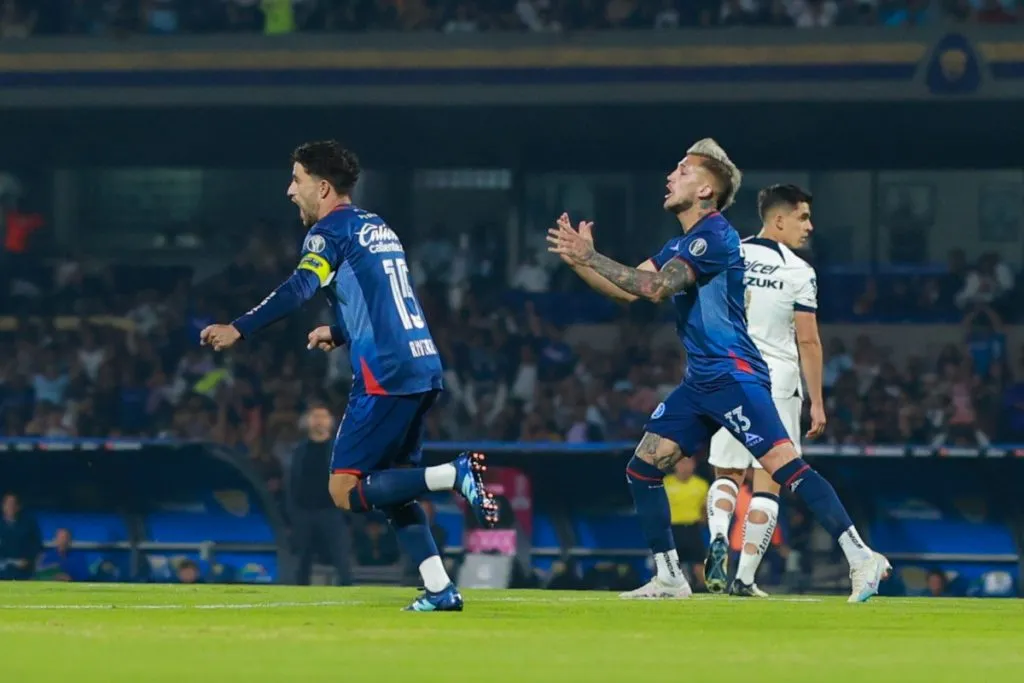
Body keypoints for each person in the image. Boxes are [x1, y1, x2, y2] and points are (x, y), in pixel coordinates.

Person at [548, 138, 889, 603]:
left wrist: (591, 258)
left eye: (682, 171)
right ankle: (669, 576)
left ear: (706, 189)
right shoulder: (682, 242)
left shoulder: (716, 235)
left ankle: (862, 557)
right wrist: (577, 261)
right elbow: (626, 290)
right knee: (644, 467)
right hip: (701, 382)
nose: (671, 177)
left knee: (784, 467)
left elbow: (654, 288)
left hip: (733, 375)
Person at [200, 140, 497, 612]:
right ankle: (440, 589)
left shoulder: (329, 232)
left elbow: (300, 286)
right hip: (421, 362)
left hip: (387, 371)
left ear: (322, 187)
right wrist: (340, 331)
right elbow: (385, 298)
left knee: (345, 489)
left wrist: (240, 327)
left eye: (296, 180)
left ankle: (451, 474)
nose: (289, 190)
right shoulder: (377, 227)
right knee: (391, 486)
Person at [704, 184, 826, 597]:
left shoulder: (729, 254)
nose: (809, 227)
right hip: (777, 382)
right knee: (768, 481)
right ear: (779, 219)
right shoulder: (798, 270)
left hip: (729, 376)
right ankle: (744, 578)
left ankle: (718, 535)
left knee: (726, 473)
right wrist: (818, 403)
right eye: (803, 217)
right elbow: (808, 341)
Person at [288, 403, 354, 586]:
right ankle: (298, 597)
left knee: (341, 559)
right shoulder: (299, 450)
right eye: (315, 416)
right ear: (307, 422)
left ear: (331, 422)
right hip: (304, 513)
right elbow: (292, 482)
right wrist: (292, 512)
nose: (319, 421)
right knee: (301, 561)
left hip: (331, 512)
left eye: (323, 417)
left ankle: (348, 595)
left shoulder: (339, 449)